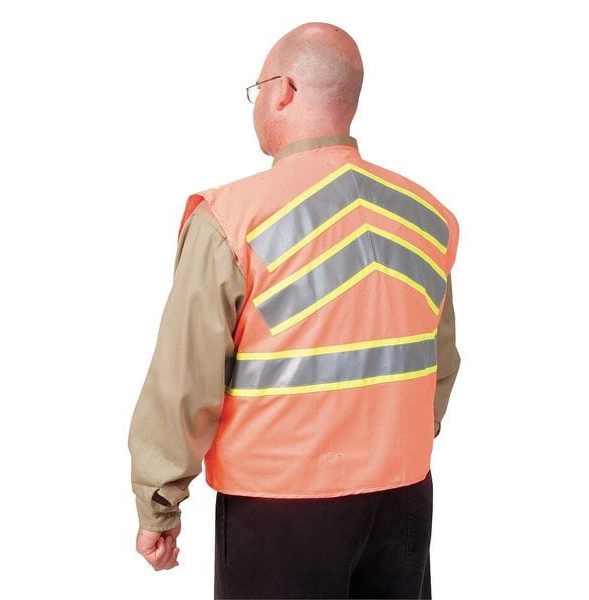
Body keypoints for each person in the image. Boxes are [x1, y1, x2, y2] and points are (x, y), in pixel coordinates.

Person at [128, 21, 461, 599]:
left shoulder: (233, 219)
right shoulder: (425, 216)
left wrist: (159, 502)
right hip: (403, 499)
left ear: (284, 90)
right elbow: (439, 361)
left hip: (279, 506)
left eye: (257, 90)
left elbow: (185, 378)